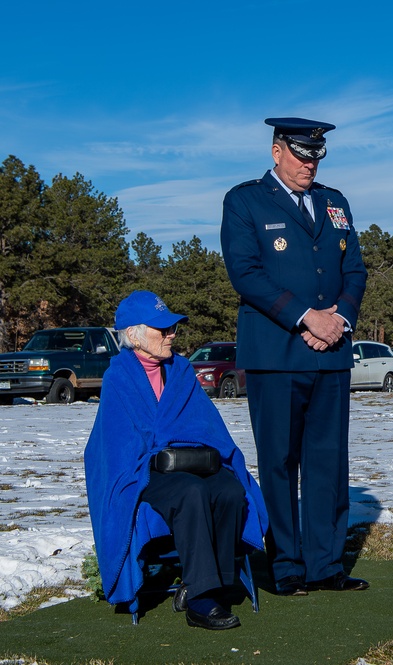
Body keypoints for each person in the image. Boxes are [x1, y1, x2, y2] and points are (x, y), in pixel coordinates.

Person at [221, 117, 368, 595]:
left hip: (331, 354)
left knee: (328, 461)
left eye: (316, 156)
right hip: (278, 354)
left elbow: (354, 269)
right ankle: (285, 567)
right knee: (280, 461)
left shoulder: (335, 201)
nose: (310, 164)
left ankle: (326, 565)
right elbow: (245, 273)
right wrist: (308, 317)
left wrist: (338, 321)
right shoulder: (244, 201)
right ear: (276, 151)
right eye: (302, 155)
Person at [85, 291, 267, 631]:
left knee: (229, 490)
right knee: (190, 493)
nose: (172, 335)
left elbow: (204, 423)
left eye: (173, 328)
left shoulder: (181, 369)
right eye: (163, 329)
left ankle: (209, 582)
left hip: (192, 459)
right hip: (148, 470)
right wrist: (158, 448)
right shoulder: (119, 376)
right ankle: (200, 602)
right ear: (135, 335)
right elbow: (117, 441)